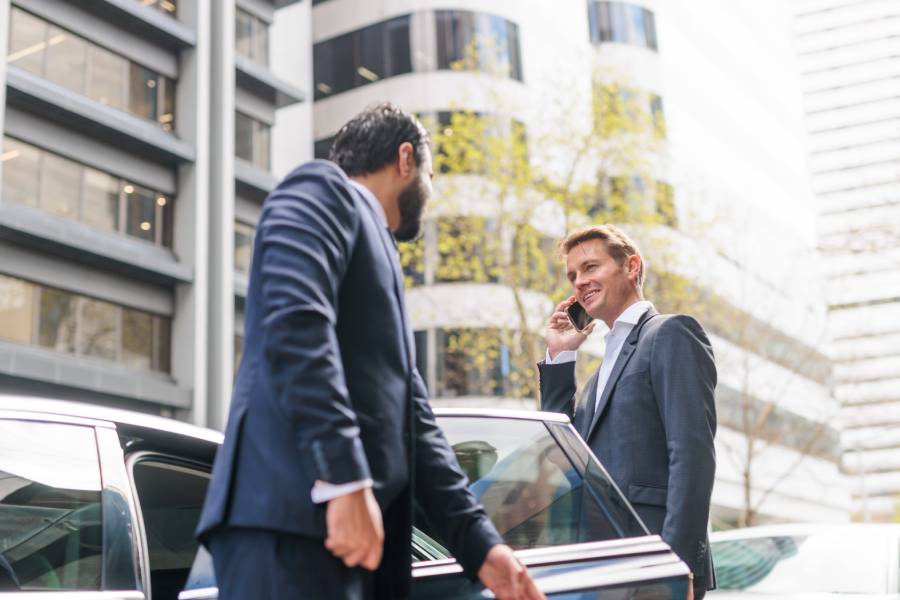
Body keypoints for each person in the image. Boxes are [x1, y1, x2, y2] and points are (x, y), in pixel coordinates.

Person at [195, 103, 543, 600]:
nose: (432, 189)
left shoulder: (381, 255)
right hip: (293, 528)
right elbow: (295, 322)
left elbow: (416, 427)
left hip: (360, 548)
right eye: (430, 173)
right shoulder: (319, 187)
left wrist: (481, 544)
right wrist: (343, 479)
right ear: (405, 158)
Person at [539, 225, 716, 599]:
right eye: (573, 276)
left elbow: (692, 455)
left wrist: (675, 565)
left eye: (590, 268)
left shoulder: (670, 333)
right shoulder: (597, 378)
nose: (579, 282)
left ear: (631, 266)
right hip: (606, 570)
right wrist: (560, 355)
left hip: (656, 567)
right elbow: (562, 454)